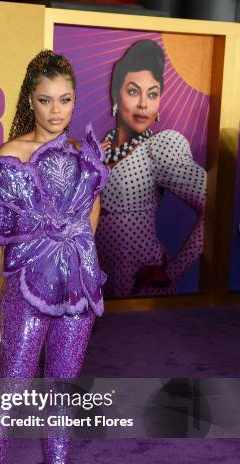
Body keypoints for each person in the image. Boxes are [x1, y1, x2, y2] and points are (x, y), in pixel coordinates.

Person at [0, 50, 110, 464]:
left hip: (75, 295)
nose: (56, 111)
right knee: (9, 400)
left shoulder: (85, 158)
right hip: (25, 295)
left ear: (75, 101)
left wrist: (73, 252)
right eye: (46, 101)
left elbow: (90, 228)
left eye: (65, 100)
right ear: (31, 100)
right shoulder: (12, 153)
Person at [97, 39, 207, 298]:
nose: (143, 104)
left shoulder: (159, 149)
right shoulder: (98, 150)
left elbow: (215, 204)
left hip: (139, 284)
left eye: (153, 93)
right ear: (116, 95)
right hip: (98, 282)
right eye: (133, 91)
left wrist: (172, 270)